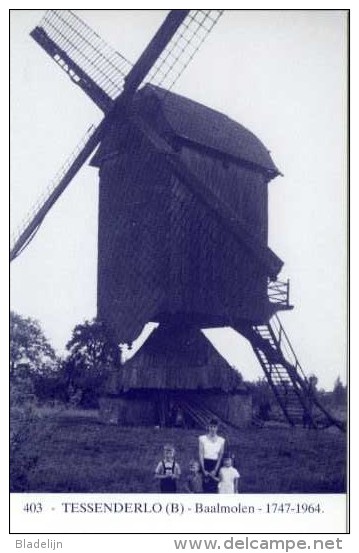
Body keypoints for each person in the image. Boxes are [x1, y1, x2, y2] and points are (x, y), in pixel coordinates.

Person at [198, 418, 225, 493]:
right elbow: (201, 453)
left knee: (215, 486)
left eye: (214, 427)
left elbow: (220, 456)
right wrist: (203, 469)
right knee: (205, 486)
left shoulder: (221, 440)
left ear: (217, 428)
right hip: (205, 463)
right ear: (208, 427)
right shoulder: (202, 438)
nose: (212, 429)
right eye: (211, 426)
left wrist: (215, 469)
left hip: (215, 464)